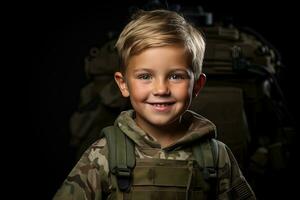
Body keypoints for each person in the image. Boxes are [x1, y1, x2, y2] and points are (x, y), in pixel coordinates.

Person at [53, 9, 256, 200]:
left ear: (197, 85)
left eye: (176, 76)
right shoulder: (103, 154)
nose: (161, 89)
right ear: (123, 85)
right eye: (145, 76)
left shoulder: (216, 156)